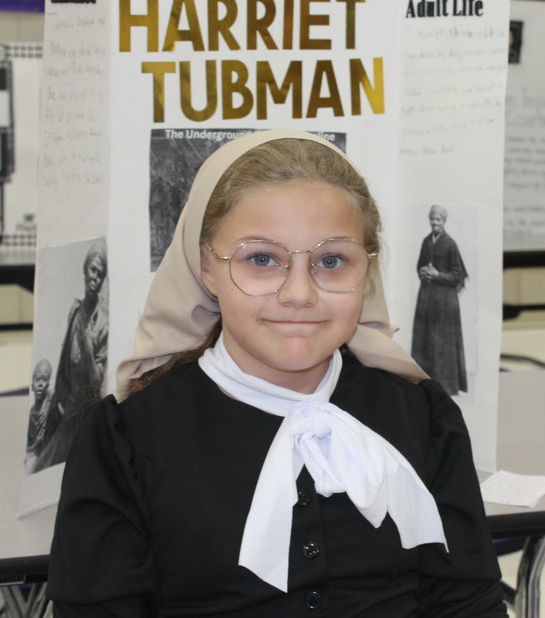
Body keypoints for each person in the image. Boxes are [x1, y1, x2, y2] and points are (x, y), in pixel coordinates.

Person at [47, 131, 506, 615]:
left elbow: (466, 603)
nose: (299, 294)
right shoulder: (126, 439)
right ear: (207, 267)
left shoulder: (423, 416)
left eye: (331, 261)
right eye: (262, 259)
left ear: (366, 269)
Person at [38, 239, 109, 471]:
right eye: (93, 270)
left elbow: (97, 381)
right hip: (67, 407)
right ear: (85, 270)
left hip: (88, 412)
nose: (95, 277)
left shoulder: (102, 323)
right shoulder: (75, 311)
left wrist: (87, 344)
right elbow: (65, 359)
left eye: (100, 274)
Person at [411, 205, 469, 396]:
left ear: (444, 222)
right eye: (432, 219)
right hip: (427, 300)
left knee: (442, 343)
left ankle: (446, 387)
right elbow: (420, 265)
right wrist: (423, 271)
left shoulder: (450, 244)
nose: (434, 223)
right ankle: (424, 386)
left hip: (445, 302)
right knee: (425, 340)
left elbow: (457, 275)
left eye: (438, 220)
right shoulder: (426, 241)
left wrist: (437, 274)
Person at [24, 358, 57, 474]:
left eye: (45, 379)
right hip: (33, 454)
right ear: (32, 385)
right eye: (37, 379)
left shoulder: (51, 402)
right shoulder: (30, 414)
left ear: (48, 384)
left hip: (48, 453)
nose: (40, 384)